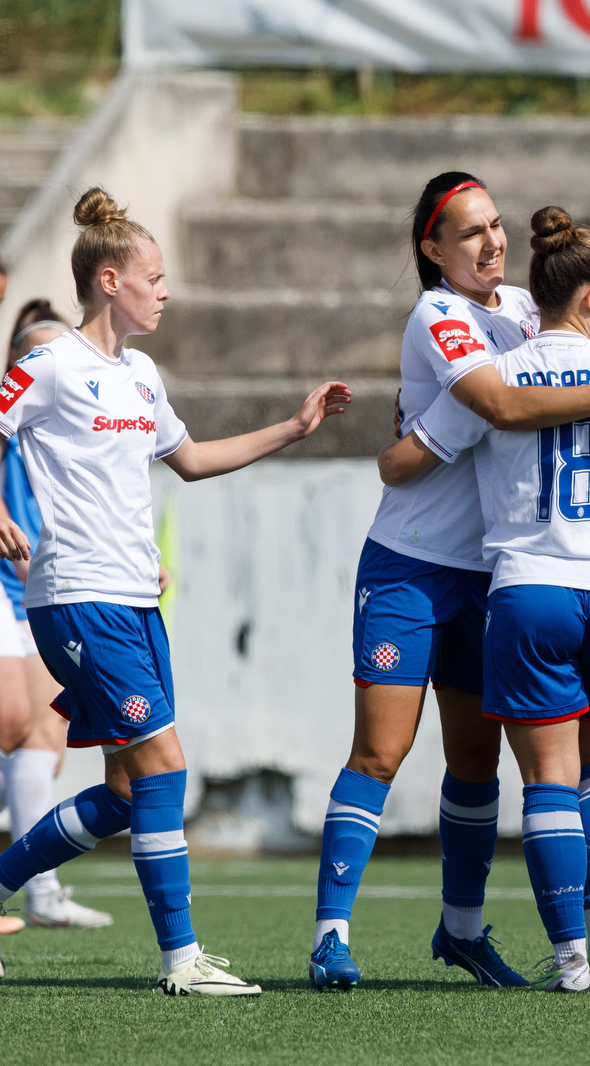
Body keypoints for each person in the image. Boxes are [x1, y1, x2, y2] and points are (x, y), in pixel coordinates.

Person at [308, 172, 590, 993]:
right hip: (410, 562)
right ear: (433, 251)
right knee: (382, 748)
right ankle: (331, 934)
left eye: (496, 225)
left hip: (496, 573)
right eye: (469, 233)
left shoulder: (518, 308)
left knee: (476, 765)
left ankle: (463, 930)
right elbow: (498, 407)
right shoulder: (439, 314)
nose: (491, 242)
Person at [0, 187, 354, 996]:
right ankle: (181, 960)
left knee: (127, 793)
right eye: (155, 277)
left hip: (135, 603)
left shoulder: (141, 373)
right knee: (164, 768)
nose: (165, 291)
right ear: (112, 279)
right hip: (78, 598)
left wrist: (292, 430)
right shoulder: (51, 364)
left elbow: (190, 461)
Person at [378, 207, 590, 993]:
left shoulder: (501, 374)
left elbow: (410, 458)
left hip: (532, 591)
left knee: (548, 783)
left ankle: (568, 956)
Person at [0, 299, 114, 930]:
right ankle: (34, 885)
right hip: (19, 591)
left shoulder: (67, 427)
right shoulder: (17, 424)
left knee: (40, 733)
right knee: (22, 726)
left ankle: (39, 887)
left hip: (37, 595)